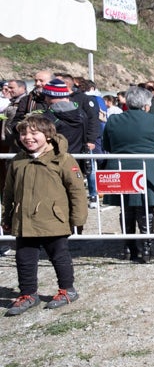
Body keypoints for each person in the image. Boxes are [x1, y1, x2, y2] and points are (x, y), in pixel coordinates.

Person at [3, 115, 88, 316]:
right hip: (24, 221)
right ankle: (28, 294)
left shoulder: (63, 159)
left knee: (59, 256)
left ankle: (67, 290)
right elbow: (8, 193)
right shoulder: (18, 161)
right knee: (24, 259)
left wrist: (78, 219)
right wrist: (6, 217)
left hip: (53, 220)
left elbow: (76, 192)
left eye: (34, 133)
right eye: (24, 133)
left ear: (48, 135)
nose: (28, 137)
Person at [101, 86, 154, 263]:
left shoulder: (113, 120)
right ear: (146, 104)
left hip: (120, 167)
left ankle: (128, 246)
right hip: (146, 168)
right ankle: (147, 247)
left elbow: (107, 145)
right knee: (146, 208)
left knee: (125, 209)